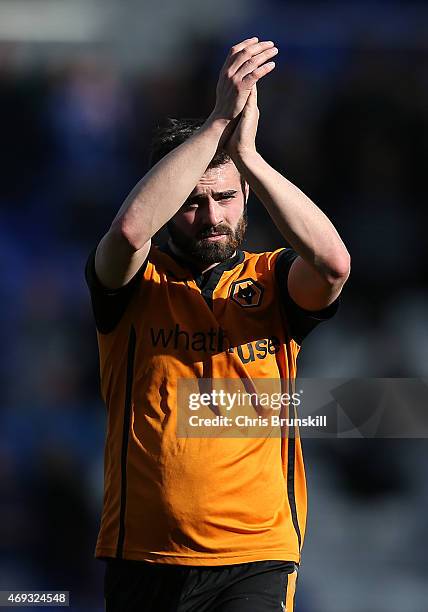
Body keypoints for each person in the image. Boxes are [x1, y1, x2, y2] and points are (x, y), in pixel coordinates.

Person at [85, 37, 350, 612]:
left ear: (246, 195)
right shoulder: (132, 282)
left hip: (255, 555)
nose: (213, 217)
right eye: (192, 202)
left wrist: (248, 153)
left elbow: (333, 264)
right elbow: (130, 233)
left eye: (228, 198)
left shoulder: (273, 279)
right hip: (143, 554)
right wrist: (218, 121)